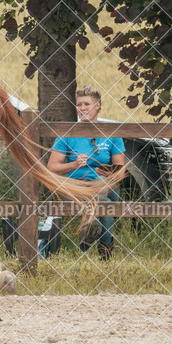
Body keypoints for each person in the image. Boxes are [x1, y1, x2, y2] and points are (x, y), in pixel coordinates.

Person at [46, 85, 125, 260]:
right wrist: (73, 165)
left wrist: (108, 173)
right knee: (103, 203)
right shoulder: (68, 133)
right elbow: (52, 167)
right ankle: (104, 256)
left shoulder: (111, 133)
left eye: (87, 104)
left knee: (101, 188)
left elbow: (120, 169)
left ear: (98, 105)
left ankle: (87, 235)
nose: (82, 108)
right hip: (75, 187)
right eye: (79, 104)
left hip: (103, 184)